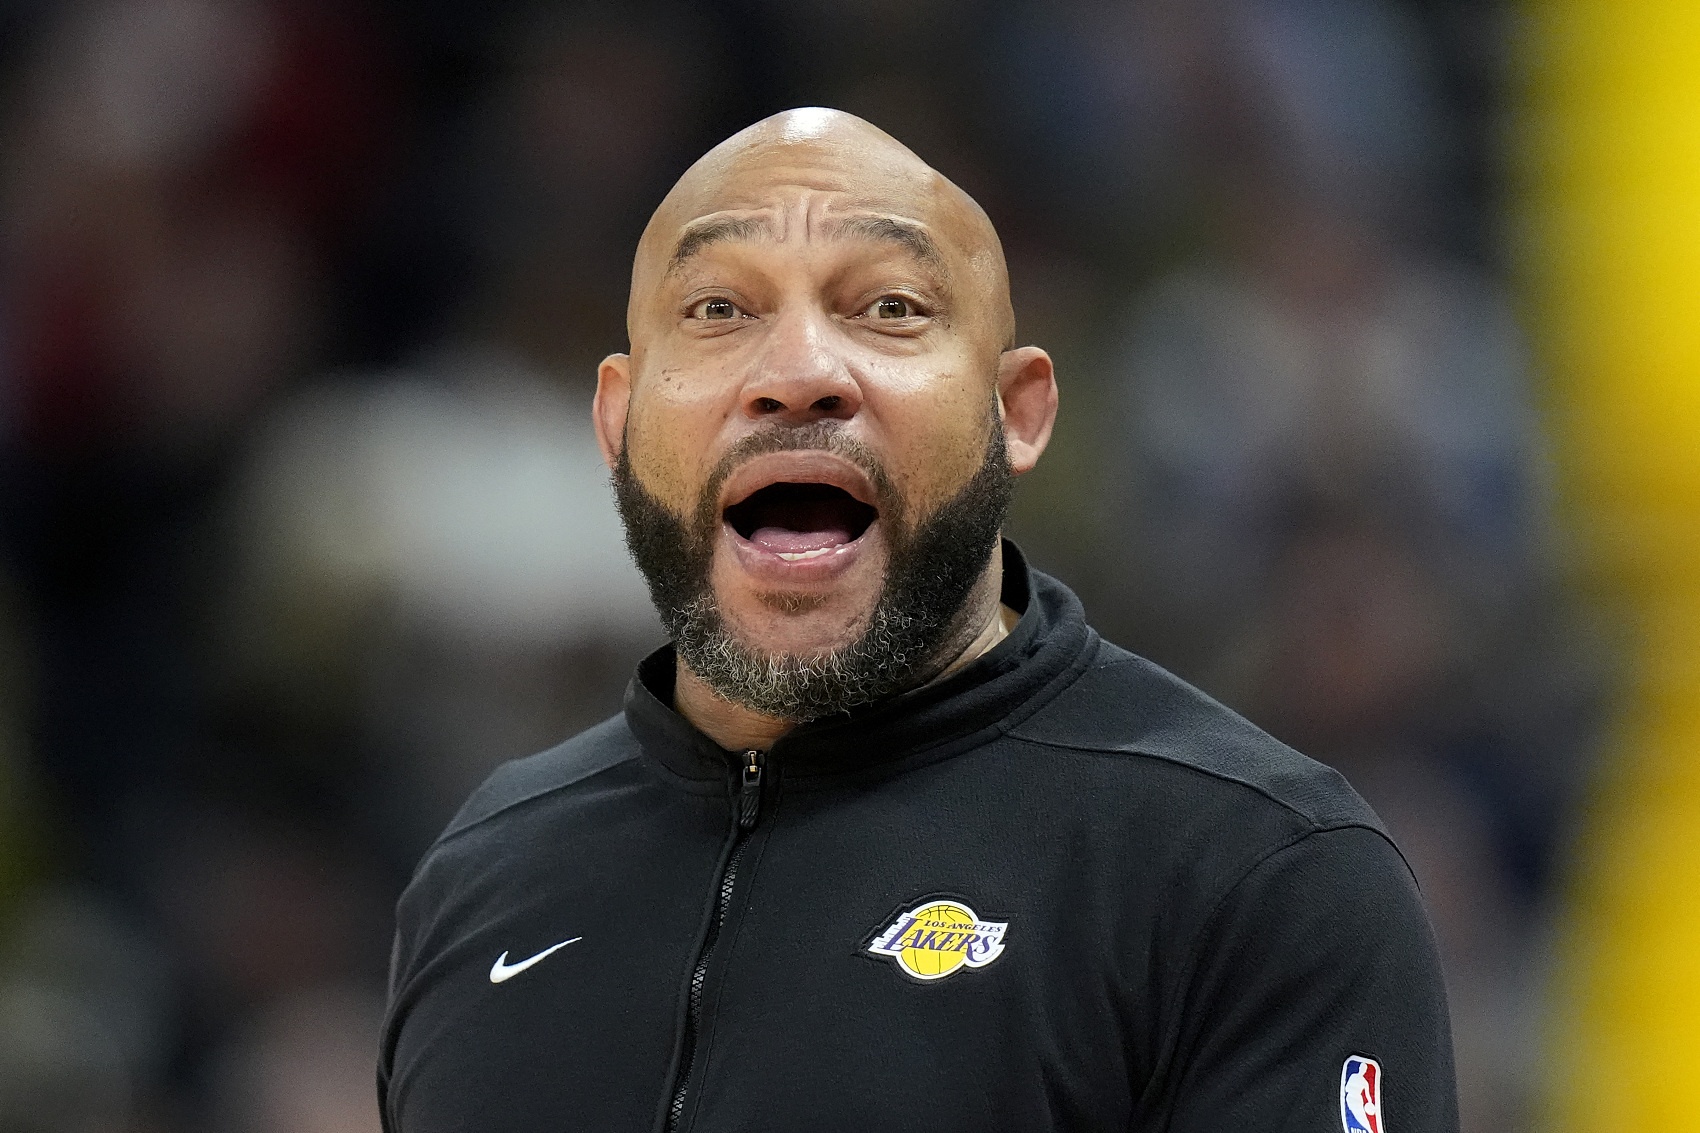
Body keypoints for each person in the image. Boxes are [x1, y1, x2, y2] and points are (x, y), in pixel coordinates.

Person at [377, 108, 1458, 1133]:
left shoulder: (1251, 870)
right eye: (717, 310)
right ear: (618, 422)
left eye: (889, 307)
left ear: (1015, 412)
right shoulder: (484, 877)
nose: (797, 373)